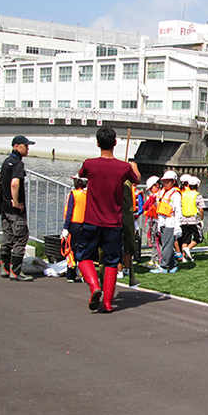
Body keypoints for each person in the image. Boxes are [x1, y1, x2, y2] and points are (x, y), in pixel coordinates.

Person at [76, 127, 140, 313]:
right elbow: (135, 179)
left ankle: (95, 286)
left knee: (83, 256)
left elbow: (81, 174)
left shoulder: (90, 164)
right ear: (115, 143)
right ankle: (108, 303)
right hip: (114, 223)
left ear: (97, 143)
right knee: (112, 261)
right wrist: (133, 166)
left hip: (92, 220)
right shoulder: (123, 167)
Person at [0, 135, 35, 282]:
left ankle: (4, 268)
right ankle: (16, 271)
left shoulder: (6, 162)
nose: (27, 148)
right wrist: (16, 202)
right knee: (21, 237)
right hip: (14, 209)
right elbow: (15, 184)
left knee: (7, 237)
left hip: (4, 207)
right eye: (25, 146)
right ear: (16, 146)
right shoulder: (18, 164)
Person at [152, 170, 183, 274]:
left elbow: (178, 210)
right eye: (164, 182)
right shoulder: (164, 191)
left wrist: (177, 226)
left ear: (173, 181)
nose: (165, 184)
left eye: (167, 181)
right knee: (166, 244)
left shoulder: (176, 194)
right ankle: (173, 264)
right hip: (163, 221)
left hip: (171, 222)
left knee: (167, 245)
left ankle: (164, 266)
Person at [61, 174, 87, 283]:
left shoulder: (73, 194)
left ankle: (70, 275)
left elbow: (69, 212)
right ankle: (83, 274)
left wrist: (65, 228)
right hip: (86, 224)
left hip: (74, 224)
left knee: (71, 249)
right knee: (83, 250)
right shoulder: (88, 195)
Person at [179, 175, 205, 262]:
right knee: (199, 238)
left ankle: (184, 257)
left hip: (183, 220)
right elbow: (201, 209)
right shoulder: (197, 195)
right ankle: (188, 249)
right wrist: (201, 219)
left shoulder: (183, 194)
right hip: (194, 220)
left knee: (185, 238)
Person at [141, 176, 162, 268]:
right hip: (153, 220)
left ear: (157, 185)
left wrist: (155, 201)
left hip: (159, 221)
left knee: (158, 241)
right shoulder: (154, 196)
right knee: (154, 241)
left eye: (151, 188)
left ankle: (159, 260)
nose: (150, 190)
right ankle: (154, 259)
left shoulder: (161, 195)